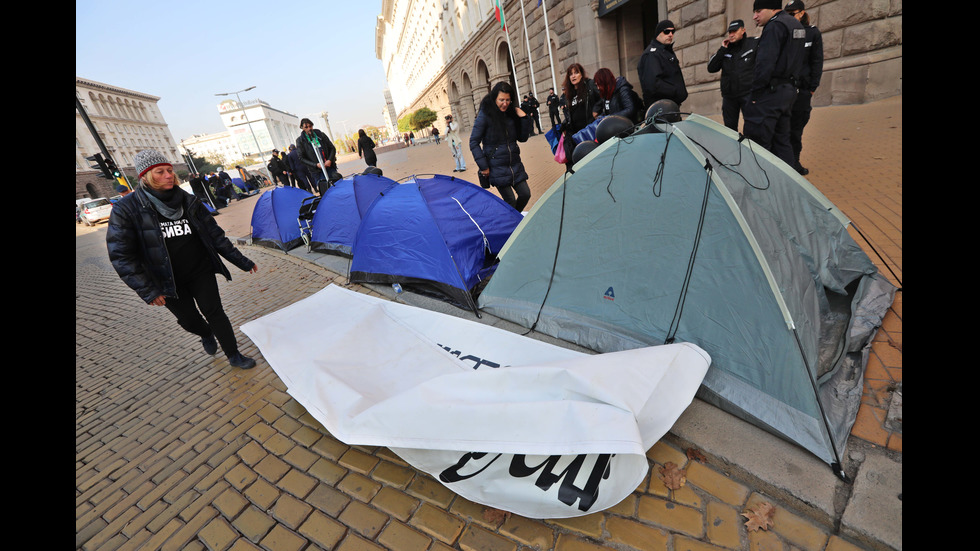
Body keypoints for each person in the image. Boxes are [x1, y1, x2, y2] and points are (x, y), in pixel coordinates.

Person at [106, 149, 259, 369]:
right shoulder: (126, 209)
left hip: (200, 270)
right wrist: (147, 290)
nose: (169, 175)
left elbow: (215, 235)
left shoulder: (188, 200)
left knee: (214, 312)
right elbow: (121, 255)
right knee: (189, 320)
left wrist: (241, 261)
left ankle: (234, 355)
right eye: (160, 172)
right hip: (165, 279)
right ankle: (205, 333)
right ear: (146, 177)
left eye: (169, 170)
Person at [742, 0, 805, 168]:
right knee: (782, 140)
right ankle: (788, 185)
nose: (755, 16)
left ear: (772, 8)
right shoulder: (794, 24)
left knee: (758, 142)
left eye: (758, 11)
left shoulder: (774, 26)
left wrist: (755, 95)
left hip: (771, 93)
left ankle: (761, 185)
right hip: (788, 91)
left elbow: (765, 64)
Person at [469, 81, 533, 212]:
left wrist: (524, 118)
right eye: (501, 100)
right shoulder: (485, 115)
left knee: (525, 194)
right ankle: (514, 226)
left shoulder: (511, 113)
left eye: (508, 100)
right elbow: (473, 142)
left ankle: (513, 220)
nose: (505, 103)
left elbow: (523, 138)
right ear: (494, 98)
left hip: (514, 164)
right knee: (510, 201)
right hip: (496, 167)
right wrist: (484, 166)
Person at [785, 0, 823, 175]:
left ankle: (795, 162)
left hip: (802, 91)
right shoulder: (783, 33)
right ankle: (783, 163)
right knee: (782, 128)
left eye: (792, 14)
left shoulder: (812, 33)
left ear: (802, 13)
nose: (790, 18)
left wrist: (812, 87)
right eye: (787, 14)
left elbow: (816, 61)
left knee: (796, 129)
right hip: (785, 89)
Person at [707, 19, 759, 132]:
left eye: (734, 31)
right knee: (730, 131)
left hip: (748, 94)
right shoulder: (726, 49)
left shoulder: (753, 44)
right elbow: (711, 68)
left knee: (752, 128)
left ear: (743, 30)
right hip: (729, 97)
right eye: (730, 32)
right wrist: (722, 49)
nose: (731, 34)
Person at [637, 20, 689, 110]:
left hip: (669, 106)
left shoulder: (665, 52)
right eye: (666, 32)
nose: (670, 34)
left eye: (672, 32)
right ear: (658, 33)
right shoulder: (652, 54)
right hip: (660, 108)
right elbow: (653, 84)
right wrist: (675, 91)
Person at [561, 63, 601, 172]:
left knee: (593, 161)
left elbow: (602, 98)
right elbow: (571, 113)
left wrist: (596, 109)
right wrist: (565, 124)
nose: (573, 76)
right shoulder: (568, 93)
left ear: (581, 74)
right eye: (571, 74)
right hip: (576, 135)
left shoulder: (590, 85)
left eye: (576, 73)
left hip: (590, 132)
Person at [296, 118, 341, 194]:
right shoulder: (300, 141)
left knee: (337, 187)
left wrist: (330, 160)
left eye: (310, 126)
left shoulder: (321, 135)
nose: (309, 129)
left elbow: (332, 148)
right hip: (317, 172)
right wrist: (316, 165)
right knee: (325, 191)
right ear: (302, 128)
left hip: (330, 167)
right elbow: (301, 158)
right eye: (306, 127)